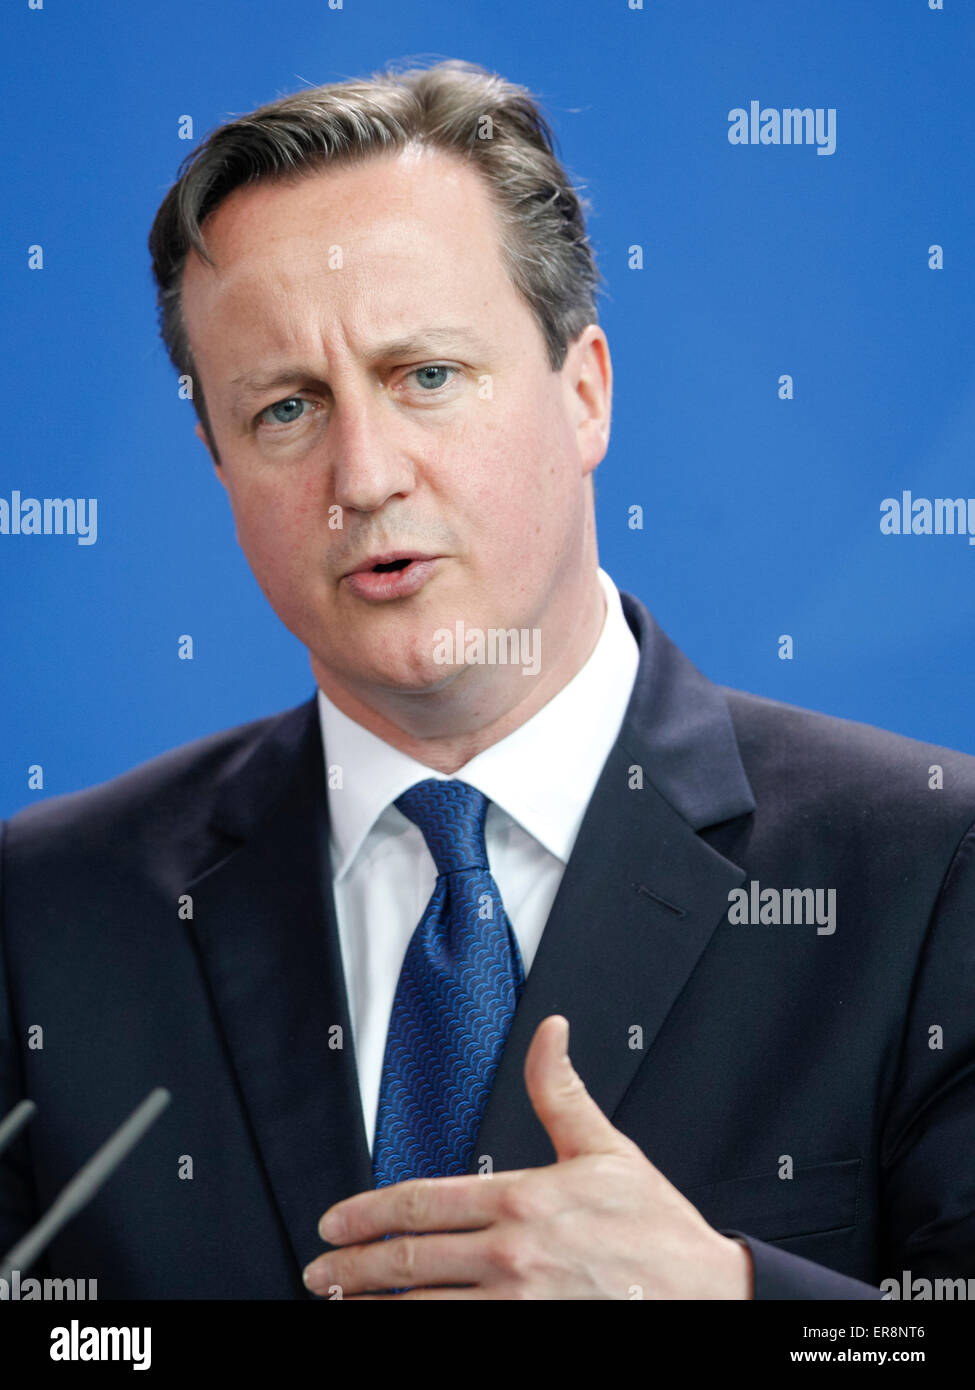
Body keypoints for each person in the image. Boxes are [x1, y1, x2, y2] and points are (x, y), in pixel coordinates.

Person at [1, 58, 973, 1301]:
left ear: (583, 394)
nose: (364, 474)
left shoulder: (934, 869)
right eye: (287, 410)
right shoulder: (49, 915)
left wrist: (733, 1298)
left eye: (427, 377)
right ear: (219, 464)